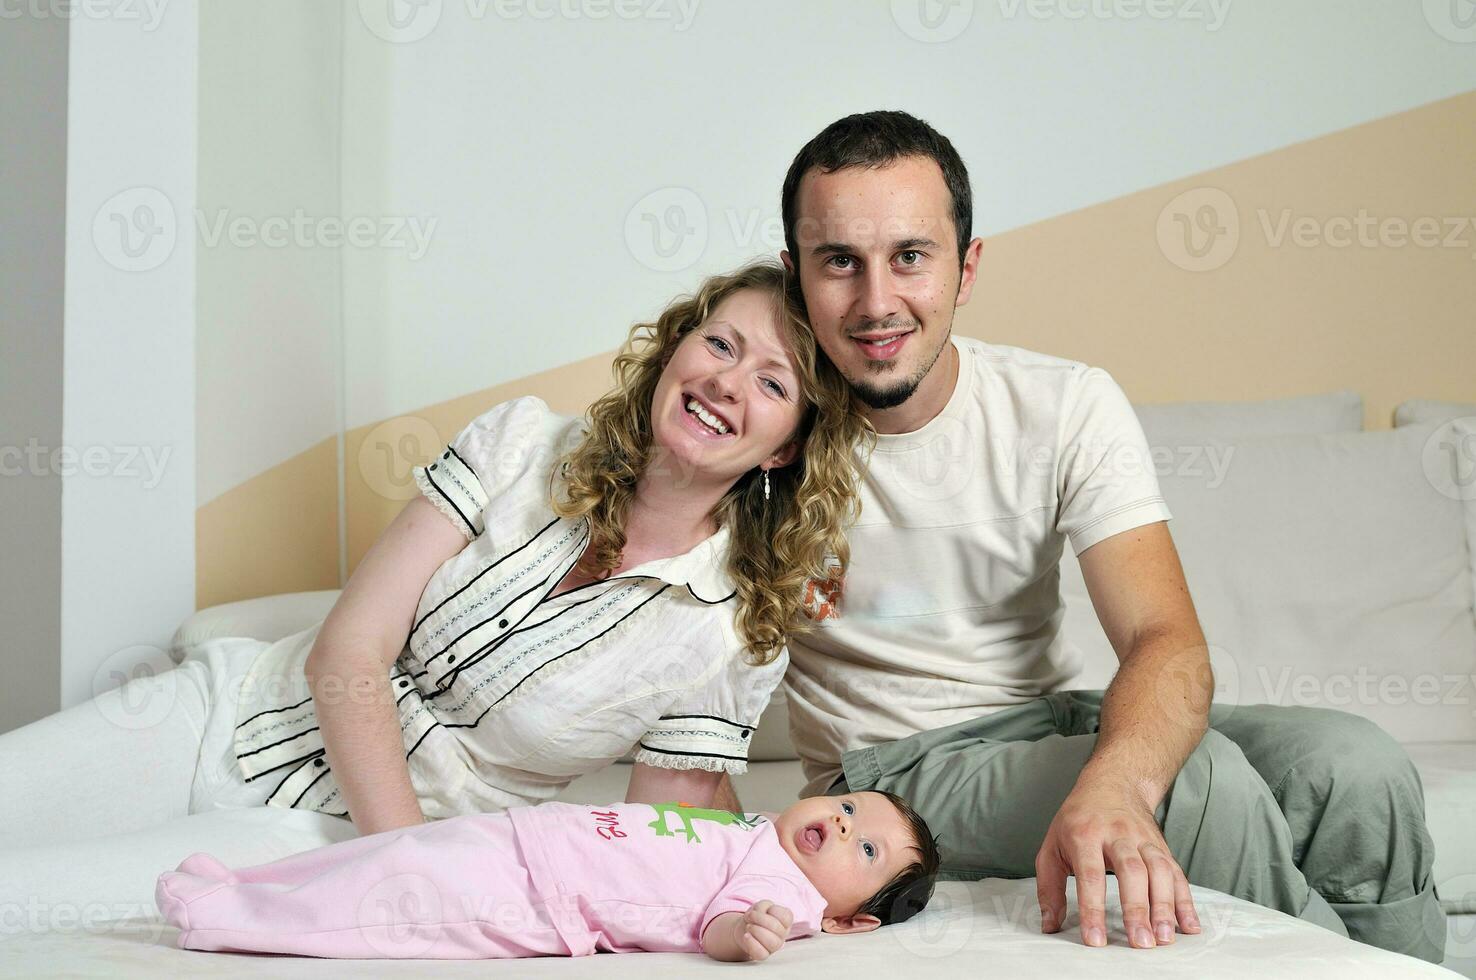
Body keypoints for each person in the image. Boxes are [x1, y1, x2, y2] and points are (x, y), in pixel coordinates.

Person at [750, 110, 1442, 963]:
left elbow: (1166, 641)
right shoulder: (761, 424)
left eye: (911, 256)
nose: (877, 301)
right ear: (795, 277)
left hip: (1041, 719)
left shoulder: (1064, 403)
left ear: (966, 267)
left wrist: (1114, 780)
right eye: (839, 263)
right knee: (1203, 788)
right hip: (889, 772)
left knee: (1353, 765)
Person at [0, 261, 868, 872]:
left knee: (28, 906)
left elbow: (639, 843)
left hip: (329, 841)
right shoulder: (523, 442)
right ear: (677, 350)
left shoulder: (733, 635)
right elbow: (346, 649)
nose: (727, 382)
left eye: (773, 382)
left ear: (786, 449)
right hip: (225, 712)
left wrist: (759, 880)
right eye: (720, 345)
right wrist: (406, 863)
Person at [154, 791, 940, 961]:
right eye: (846, 805)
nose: (841, 824)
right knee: (385, 855)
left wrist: (741, 934)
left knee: (393, 902)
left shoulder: (791, 897)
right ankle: (247, 879)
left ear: (849, 920)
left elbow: (724, 921)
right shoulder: (752, 826)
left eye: (863, 849)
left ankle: (227, 921)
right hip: (529, 836)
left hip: (537, 897)